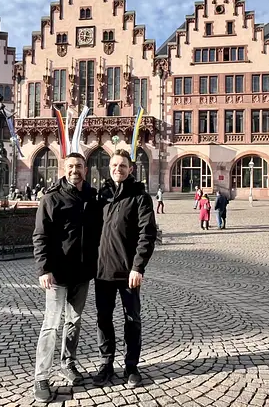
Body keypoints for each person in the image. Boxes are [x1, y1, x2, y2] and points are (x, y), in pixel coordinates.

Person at [32, 153, 102, 403]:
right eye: (71, 166)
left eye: (79, 166)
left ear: (86, 169)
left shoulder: (93, 197)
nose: (75, 170)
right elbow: (40, 237)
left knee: (74, 321)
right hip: (58, 274)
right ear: (64, 169)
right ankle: (41, 376)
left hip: (82, 273)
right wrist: (44, 269)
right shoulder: (51, 198)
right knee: (50, 325)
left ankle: (68, 363)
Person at [93, 149, 157, 389]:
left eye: (122, 165)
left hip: (129, 272)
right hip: (103, 271)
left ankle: (131, 366)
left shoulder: (140, 197)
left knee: (132, 320)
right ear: (109, 168)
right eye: (114, 165)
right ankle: (106, 363)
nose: (117, 169)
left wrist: (138, 267)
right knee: (103, 319)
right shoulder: (103, 195)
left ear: (130, 169)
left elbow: (146, 234)